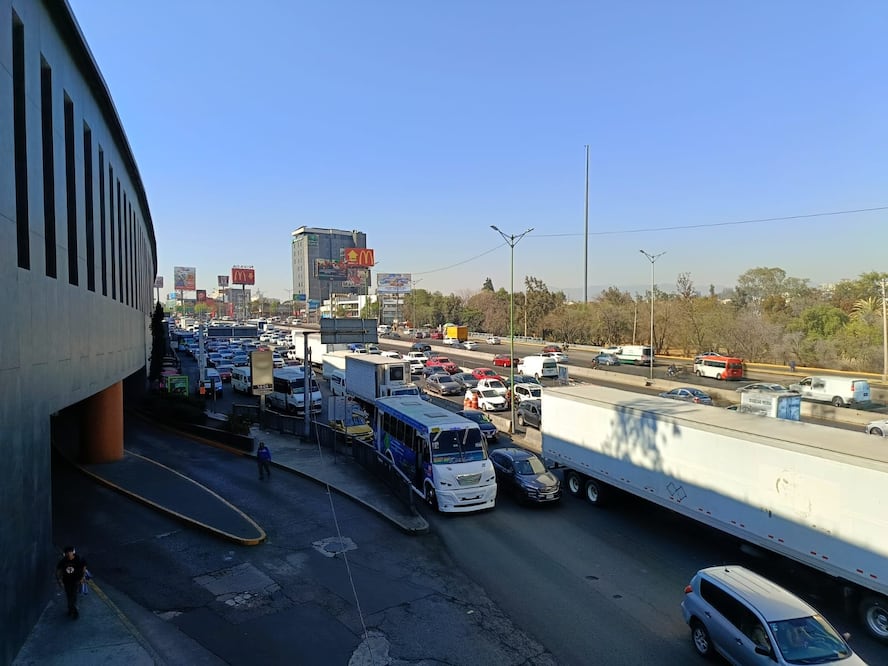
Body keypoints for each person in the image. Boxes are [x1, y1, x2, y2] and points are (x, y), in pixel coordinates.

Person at [56, 546, 87, 619]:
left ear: (73, 552)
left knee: (74, 595)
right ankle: (70, 608)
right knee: (69, 595)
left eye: (70, 552)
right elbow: (58, 570)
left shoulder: (78, 559)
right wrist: (59, 581)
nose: (69, 554)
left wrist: (82, 578)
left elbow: (84, 567)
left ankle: (74, 611)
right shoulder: (63, 561)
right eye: (67, 553)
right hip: (67, 581)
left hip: (76, 580)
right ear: (65, 554)